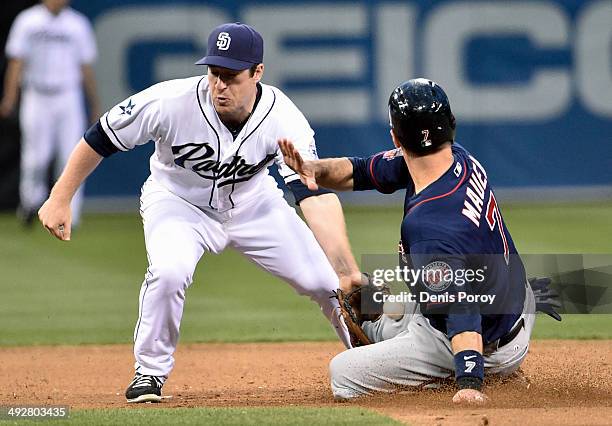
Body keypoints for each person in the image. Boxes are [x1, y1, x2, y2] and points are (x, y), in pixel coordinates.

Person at [38, 22, 363, 403]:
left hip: (254, 204)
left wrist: (345, 269)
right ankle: (149, 373)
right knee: (169, 271)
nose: (219, 84)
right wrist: (60, 197)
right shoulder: (170, 101)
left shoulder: (283, 117)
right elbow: (102, 135)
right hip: (178, 203)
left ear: (258, 72)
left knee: (328, 283)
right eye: (213, 73)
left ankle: (375, 356)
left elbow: (314, 194)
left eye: (231, 75)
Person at [278, 78, 539, 405]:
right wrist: (312, 169)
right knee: (383, 323)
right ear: (450, 126)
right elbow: (357, 172)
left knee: (342, 374)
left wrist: (470, 382)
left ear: (395, 137)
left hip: (482, 342)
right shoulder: (459, 159)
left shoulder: (429, 228)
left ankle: (463, 377)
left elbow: (463, 310)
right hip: (516, 305)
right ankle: (459, 358)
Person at [0, 0, 100, 227]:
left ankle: (70, 212)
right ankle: (30, 204)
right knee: (36, 157)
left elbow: (86, 67)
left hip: (68, 94)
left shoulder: (77, 24)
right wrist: (9, 97)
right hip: (37, 94)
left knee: (73, 155)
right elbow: (17, 61)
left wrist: (94, 103)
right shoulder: (28, 21)